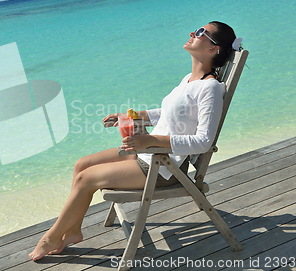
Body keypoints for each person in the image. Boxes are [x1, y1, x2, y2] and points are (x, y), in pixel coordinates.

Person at [29, 21, 243, 261]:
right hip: (150, 152)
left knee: (85, 179)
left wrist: (150, 139)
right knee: (82, 165)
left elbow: (204, 141)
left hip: (164, 166)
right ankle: (74, 231)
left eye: (202, 32)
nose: (193, 33)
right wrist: (130, 116)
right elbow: (168, 114)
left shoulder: (210, 88)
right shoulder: (189, 80)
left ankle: (50, 238)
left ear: (213, 49)